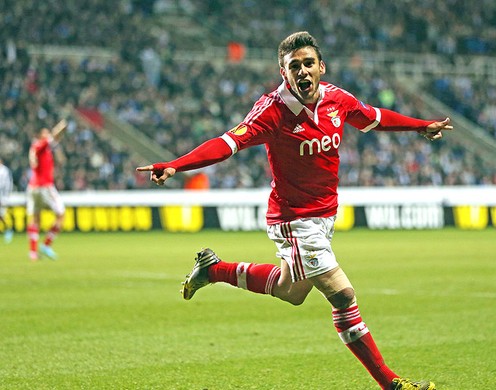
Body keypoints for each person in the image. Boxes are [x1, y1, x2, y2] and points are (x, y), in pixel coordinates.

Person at [137, 32, 452, 390]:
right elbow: (227, 143)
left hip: (324, 215)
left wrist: (421, 126)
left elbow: (375, 117)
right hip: (294, 219)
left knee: (292, 292)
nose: (302, 71)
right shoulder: (272, 111)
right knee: (343, 295)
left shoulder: (337, 99)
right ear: (283, 73)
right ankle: (391, 383)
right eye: (293, 66)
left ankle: (215, 270)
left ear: (321, 67)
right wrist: (177, 165)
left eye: (307, 63)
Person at [26, 119, 68, 260]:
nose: (47, 135)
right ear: (40, 135)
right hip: (45, 187)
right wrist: (61, 125)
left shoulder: (36, 147)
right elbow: (55, 135)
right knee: (61, 215)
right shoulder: (42, 145)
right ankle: (47, 245)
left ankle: (33, 252)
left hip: (33, 187)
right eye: (45, 133)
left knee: (35, 219)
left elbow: (34, 156)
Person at [0, 158, 14, 243]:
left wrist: (6, 196)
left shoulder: (4, 170)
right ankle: (8, 229)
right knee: (1, 215)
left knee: (2, 214)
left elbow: (7, 184)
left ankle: (9, 229)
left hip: (2, 196)